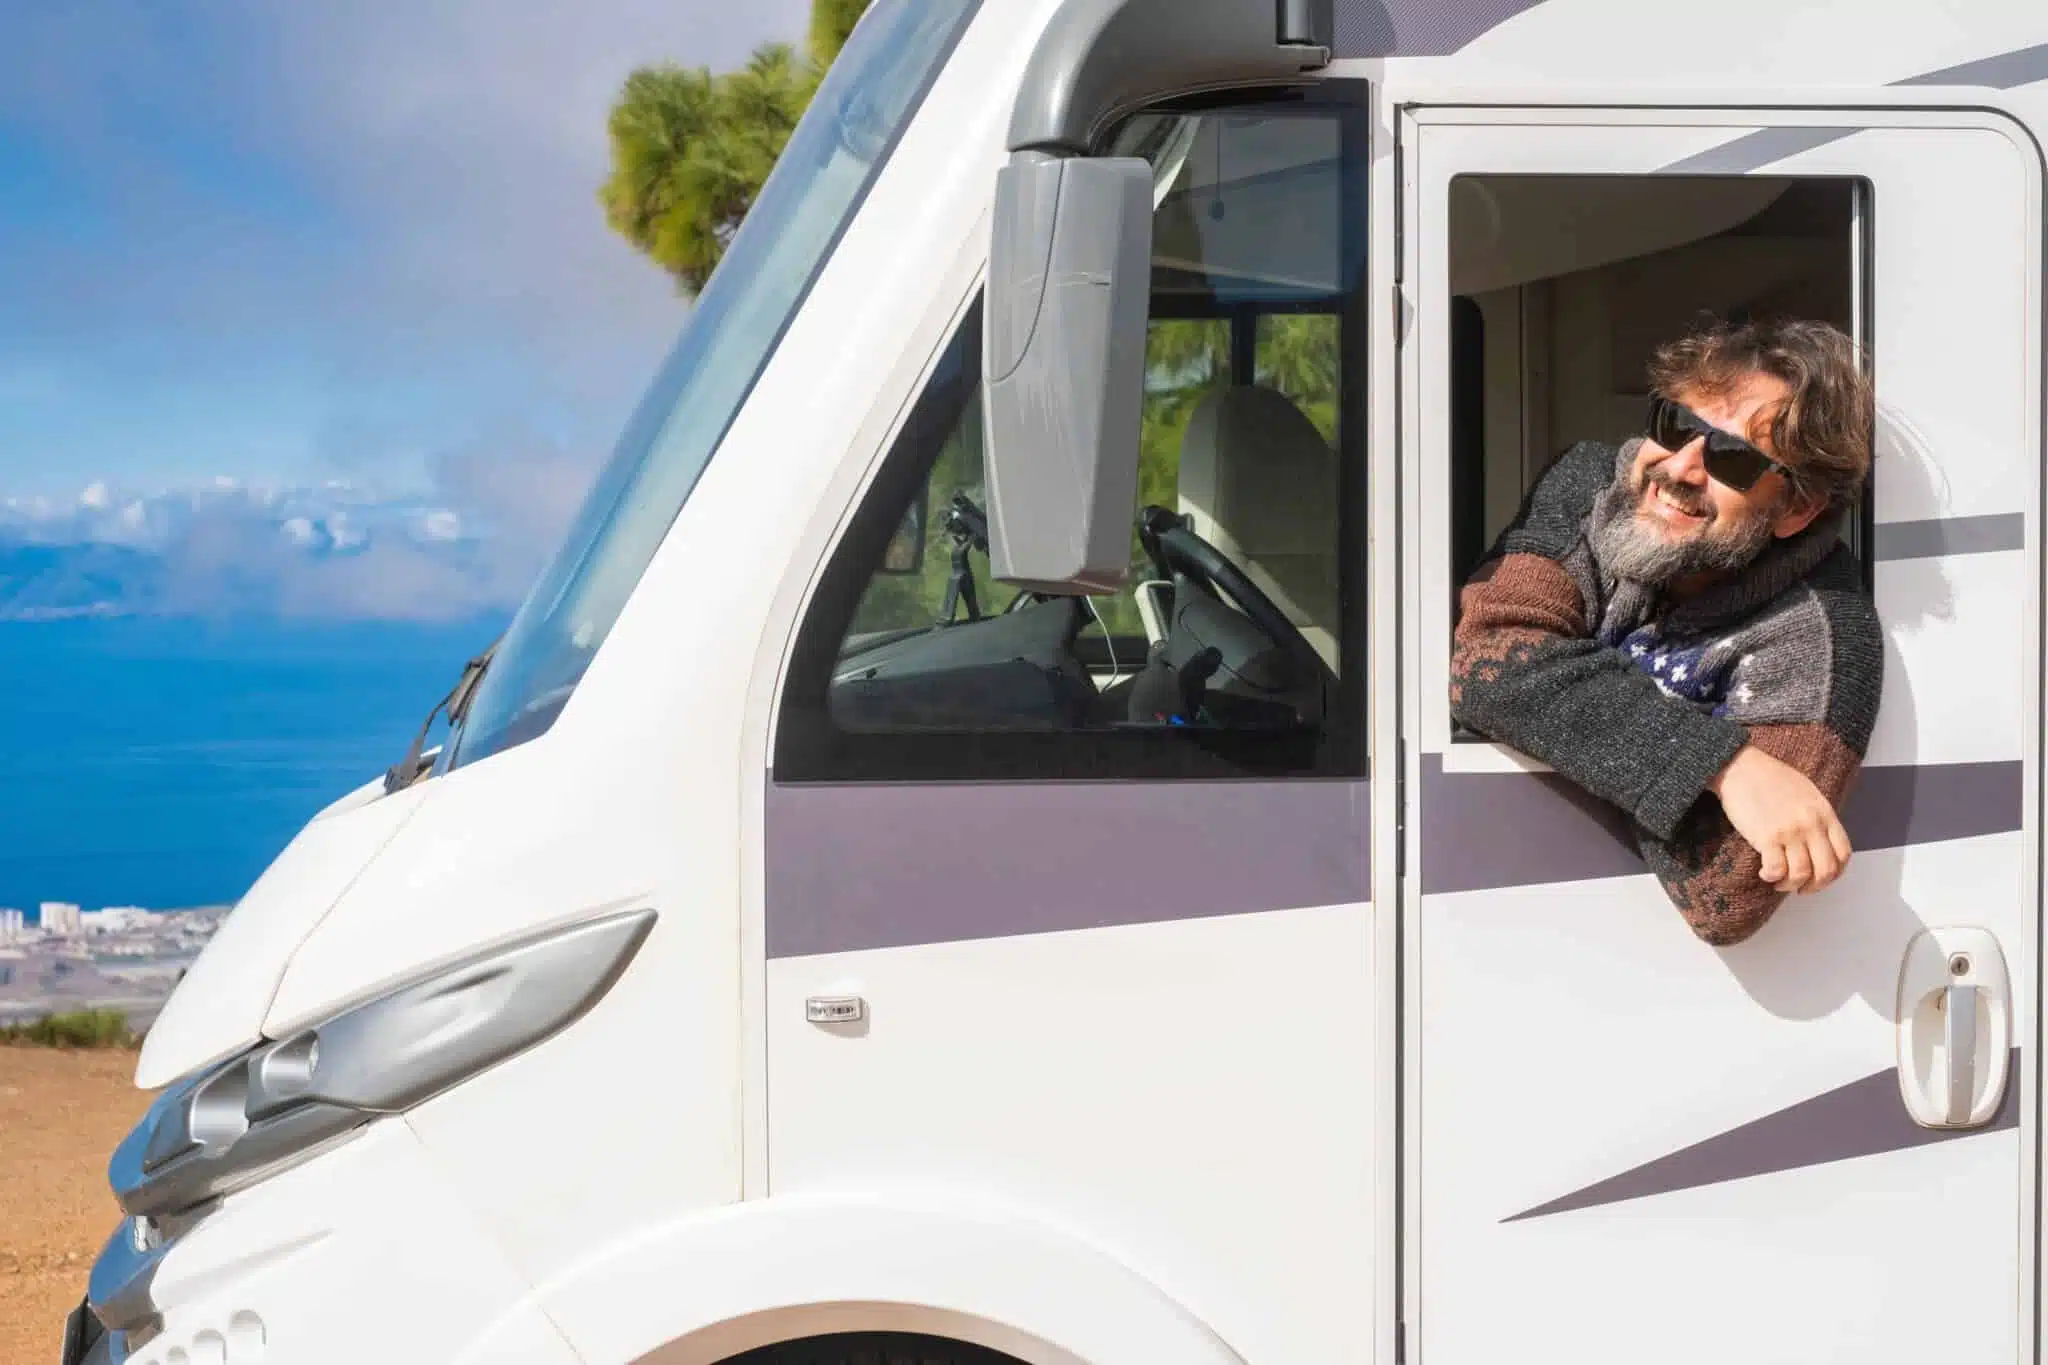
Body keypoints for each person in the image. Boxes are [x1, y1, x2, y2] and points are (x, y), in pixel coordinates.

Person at [1449, 316, 1882, 946]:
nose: (1678, 467)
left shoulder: (1827, 636)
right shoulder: (1590, 482)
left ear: (1796, 510)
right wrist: (1725, 766)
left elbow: (1729, 890)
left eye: (1731, 458)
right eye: (1674, 424)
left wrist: (1562, 714)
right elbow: (1489, 664)